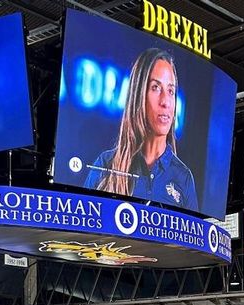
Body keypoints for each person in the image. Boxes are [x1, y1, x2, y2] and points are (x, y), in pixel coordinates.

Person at [84, 48, 198, 211]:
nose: (165, 101)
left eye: (171, 91)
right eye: (155, 88)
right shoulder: (105, 165)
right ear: (138, 95)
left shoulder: (183, 177)